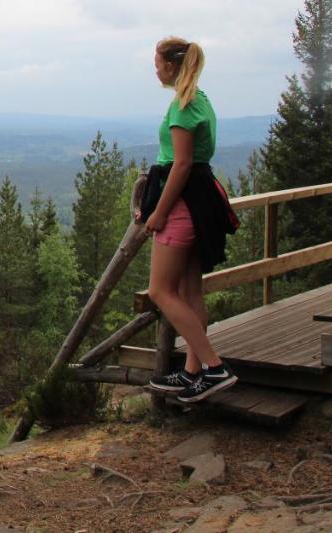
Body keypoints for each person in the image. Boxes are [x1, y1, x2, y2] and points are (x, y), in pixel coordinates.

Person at [138, 37, 238, 403]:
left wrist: (159, 213)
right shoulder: (202, 99)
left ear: (170, 65)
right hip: (201, 202)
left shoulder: (183, 106)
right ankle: (193, 373)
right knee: (191, 292)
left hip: (182, 205)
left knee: (160, 291)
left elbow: (181, 164)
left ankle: (213, 367)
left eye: (157, 62)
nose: (155, 68)